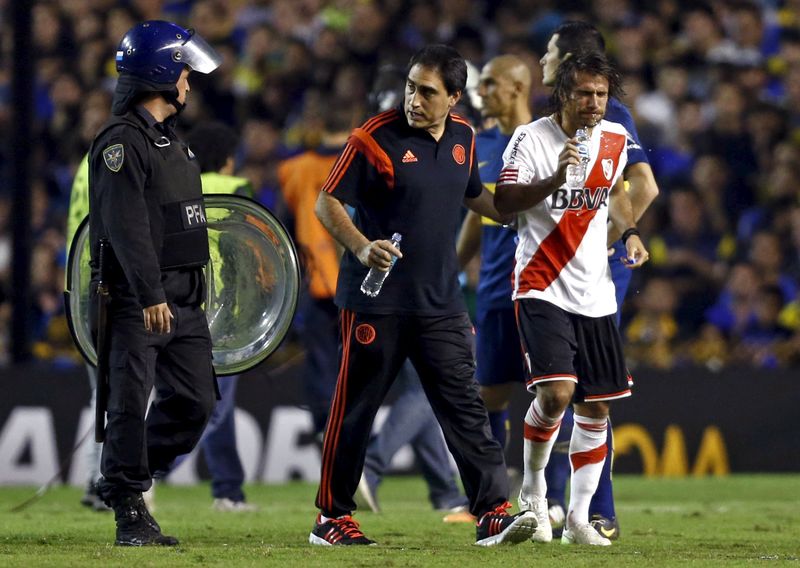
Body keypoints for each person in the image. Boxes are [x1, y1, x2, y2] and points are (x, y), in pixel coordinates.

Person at [310, 44, 536, 547]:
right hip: (376, 301)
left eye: (427, 91)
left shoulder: (464, 138)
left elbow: (477, 195)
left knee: (464, 406)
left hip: (440, 303)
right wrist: (362, 245)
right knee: (356, 408)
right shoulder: (374, 136)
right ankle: (331, 519)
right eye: (412, 87)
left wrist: (526, 205)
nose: (414, 98)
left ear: (454, 97)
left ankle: (493, 512)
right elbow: (327, 202)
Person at [493, 52, 649, 546]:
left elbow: (618, 191)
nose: (594, 103)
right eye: (584, 93)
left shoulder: (615, 139)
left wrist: (629, 232)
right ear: (563, 94)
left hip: (595, 291)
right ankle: (535, 496)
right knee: (557, 393)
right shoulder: (531, 139)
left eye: (601, 95)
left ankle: (579, 519)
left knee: (598, 408)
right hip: (541, 283)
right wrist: (556, 180)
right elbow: (503, 203)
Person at [88, 20, 221, 546]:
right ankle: (128, 507)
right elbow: (126, 226)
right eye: (184, 70)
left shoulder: (172, 142)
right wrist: (150, 294)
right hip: (141, 300)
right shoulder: (121, 143)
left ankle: (123, 474)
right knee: (127, 401)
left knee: (196, 403)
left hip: (184, 299)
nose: (188, 81)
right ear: (163, 74)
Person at [537, 21, 660, 540]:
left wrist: (608, 241)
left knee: (589, 392)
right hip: (549, 272)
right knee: (562, 391)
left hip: (588, 276)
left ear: (567, 61)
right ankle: (557, 506)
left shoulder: (611, 114)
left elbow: (642, 185)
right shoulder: (549, 121)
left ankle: (590, 509)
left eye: (548, 53)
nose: (540, 61)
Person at [170, 121, 257, 513]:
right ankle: (144, 473)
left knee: (219, 403)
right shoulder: (238, 188)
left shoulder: (179, 186)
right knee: (212, 408)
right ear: (227, 158)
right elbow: (253, 254)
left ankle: (229, 490)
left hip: (185, 305)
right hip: (227, 315)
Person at [277, 106, 350, 442]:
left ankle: (326, 429)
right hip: (362, 281)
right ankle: (351, 433)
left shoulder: (294, 169)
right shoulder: (364, 162)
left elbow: (284, 228)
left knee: (320, 363)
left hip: (316, 279)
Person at [66, 153, 110, 513]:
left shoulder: (85, 163)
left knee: (102, 391)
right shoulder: (116, 158)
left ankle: (93, 478)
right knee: (119, 391)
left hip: (79, 283)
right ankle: (102, 482)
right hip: (103, 284)